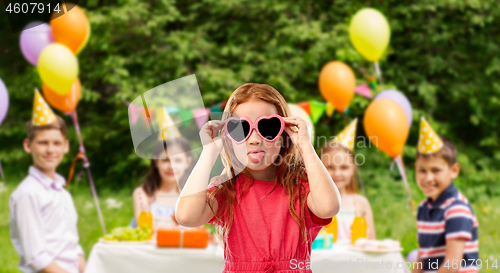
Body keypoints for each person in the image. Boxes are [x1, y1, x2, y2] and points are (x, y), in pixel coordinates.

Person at [176, 83, 341, 272]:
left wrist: (304, 145)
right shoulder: (227, 190)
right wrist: (209, 152)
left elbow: (329, 207)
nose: (254, 139)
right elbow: (186, 216)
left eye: (267, 127)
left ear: (284, 133)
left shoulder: (300, 188)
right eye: (241, 129)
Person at [9, 91, 86, 273]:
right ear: (28, 146)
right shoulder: (28, 193)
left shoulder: (62, 192)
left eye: (56, 143)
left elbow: (72, 244)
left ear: (66, 146)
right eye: (43, 143)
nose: (51, 149)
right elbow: (36, 257)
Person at [412, 117, 479, 273]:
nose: (428, 178)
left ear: (454, 171)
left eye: (436, 170)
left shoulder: (456, 209)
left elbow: (452, 265)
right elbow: (423, 255)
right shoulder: (424, 207)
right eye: (422, 170)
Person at [319, 119, 375, 242]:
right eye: (330, 167)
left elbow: (372, 243)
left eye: (344, 167)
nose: (337, 174)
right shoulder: (315, 203)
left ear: (353, 169)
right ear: (320, 169)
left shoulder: (361, 203)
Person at [132, 137, 194, 229]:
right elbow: (144, 226)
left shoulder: (191, 196)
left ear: (187, 162)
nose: (171, 166)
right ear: (156, 161)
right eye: (165, 160)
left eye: (178, 160)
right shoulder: (143, 193)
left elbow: (196, 228)